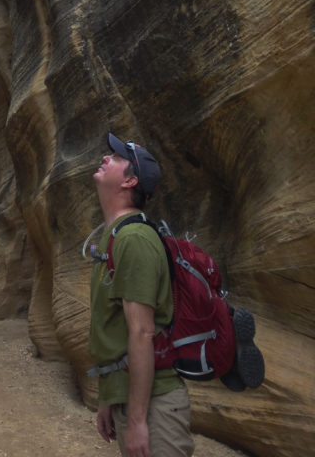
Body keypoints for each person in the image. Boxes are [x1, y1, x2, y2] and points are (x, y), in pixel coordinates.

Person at [87, 133, 193, 457]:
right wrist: (109, 397)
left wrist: (137, 422)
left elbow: (142, 332)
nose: (106, 158)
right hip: (132, 398)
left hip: (156, 407)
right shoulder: (114, 237)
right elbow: (115, 326)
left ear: (130, 180)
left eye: (117, 158)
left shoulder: (133, 239)